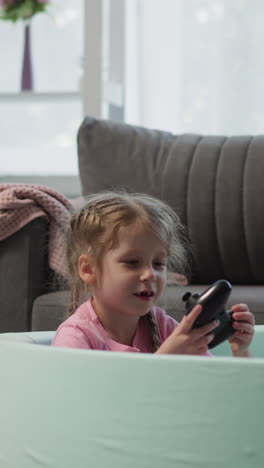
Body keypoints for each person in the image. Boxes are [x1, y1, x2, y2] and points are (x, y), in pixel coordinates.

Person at [52, 190, 255, 357]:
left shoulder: (160, 325)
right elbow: (91, 403)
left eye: (158, 264)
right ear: (88, 269)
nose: (150, 274)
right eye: (132, 262)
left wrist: (241, 351)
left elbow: (218, 387)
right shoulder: (75, 338)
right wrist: (167, 356)